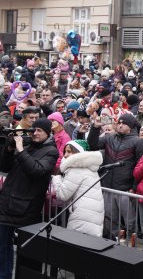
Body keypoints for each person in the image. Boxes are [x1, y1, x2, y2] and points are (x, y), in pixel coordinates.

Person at [0, 118, 58, 278]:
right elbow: (4, 167)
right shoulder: (26, 146)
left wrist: (20, 150)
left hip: (26, 209)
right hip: (7, 204)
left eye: (40, 131)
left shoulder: (51, 151)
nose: (35, 133)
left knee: (26, 254)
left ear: (48, 133)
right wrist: (9, 149)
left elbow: (36, 171)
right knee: (2, 249)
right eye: (34, 130)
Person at [88, 111, 143, 239]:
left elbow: (139, 166)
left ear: (130, 126)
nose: (120, 125)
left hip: (125, 189)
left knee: (130, 222)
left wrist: (134, 187)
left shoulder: (138, 142)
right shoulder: (109, 137)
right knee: (110, 220)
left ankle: (131, 245)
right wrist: (95, 128)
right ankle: (113, 243)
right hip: (108, 187)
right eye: (118, 122)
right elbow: (92, 145)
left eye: (123, 123)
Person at [51, 139, 104, 237]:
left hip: (82, 216)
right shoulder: (89, 167)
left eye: (69, 151)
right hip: (92, 216)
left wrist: (56, 178)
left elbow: (63, 195)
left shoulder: (76, 169)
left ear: (78, 153)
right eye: (65, 152)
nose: (65, 155)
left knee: (75, 245)